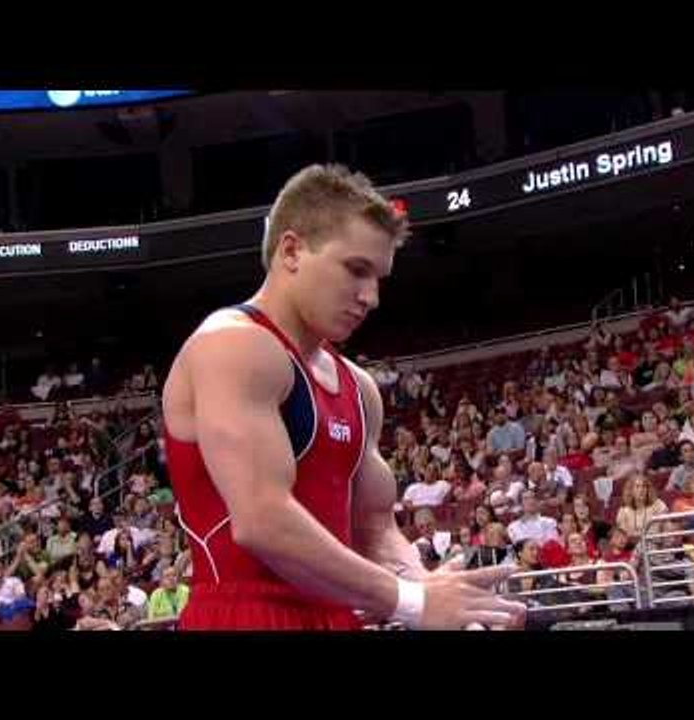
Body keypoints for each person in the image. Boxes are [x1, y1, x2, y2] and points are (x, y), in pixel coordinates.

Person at [161, 164, 523, 630]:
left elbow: (375, 528)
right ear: (291, 250)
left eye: (379, 278)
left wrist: (440, 600)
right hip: (244, 613)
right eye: (356, 270)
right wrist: (411, 601)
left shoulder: (359, 387)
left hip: (337, 616)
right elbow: (262, 521)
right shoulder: (232, 346)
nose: (371, 297)